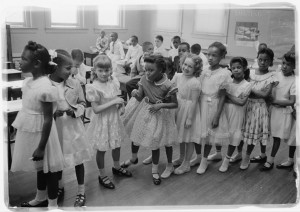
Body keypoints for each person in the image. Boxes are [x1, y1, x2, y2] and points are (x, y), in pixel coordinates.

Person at [10, 41, 64, 208]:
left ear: (37, 63)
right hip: (31, 130)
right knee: (39, 167)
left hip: (44, 134)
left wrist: (41, 147)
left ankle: (53, 205)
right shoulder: (27, 82)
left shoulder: (46, 87)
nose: (20, 62)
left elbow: (48, 119)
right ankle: (40, 197)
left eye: (24, 59)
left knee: (50, 170)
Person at [121, 55, 178, 185]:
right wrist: (135, 92)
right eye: (146, 69)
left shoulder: (168, 85)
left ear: (161, 71)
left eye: (151, 70)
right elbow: (140, 96)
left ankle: (155, 169)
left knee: (155, 142)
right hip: (145, 111)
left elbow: (175, 104)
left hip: (160, 115)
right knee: (136, 135)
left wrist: (161, 105)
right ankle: (134, 157)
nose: (147, 72)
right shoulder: (143, 79)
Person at [48, 49, 93, 206]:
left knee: (78, 160)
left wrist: (74, 111)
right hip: (55, 130)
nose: (72, 71)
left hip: (73, 128)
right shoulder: (46, 84)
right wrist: (54, 113)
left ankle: (81, 190)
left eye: (72, 67)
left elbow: (83, 103)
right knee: (58, 160)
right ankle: (60, 186)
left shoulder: (75, 83)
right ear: (55, 67)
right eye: (68, 68)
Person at [85, 54, 132, 190]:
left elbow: (117, 98)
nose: (104, 74)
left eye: (107, 70)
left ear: (111, 69)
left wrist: (121, 106)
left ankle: (116, 167)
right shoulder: (93, 87)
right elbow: (96, 109)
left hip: (114, 119)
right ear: (95, 71)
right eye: (100, 71)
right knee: (102, 148)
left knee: (116, 145)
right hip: (102, 121)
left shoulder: (113, 82)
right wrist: (114, 102)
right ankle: (102, 174)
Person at [196, 42, 232, 174]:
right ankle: (201, 156)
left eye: (214, 55)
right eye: (208, 54)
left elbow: (223, 97)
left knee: (209, 136)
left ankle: (204, 161)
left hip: (213, 106)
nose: (210, 58)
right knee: (200, 134)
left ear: (222, 56)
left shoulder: (224, 74)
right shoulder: (204, 70)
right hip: (201, 104)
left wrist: (217, 115)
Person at [240, 47, 278, 170]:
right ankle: (240, 154)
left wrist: (251, 88)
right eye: (260, 59)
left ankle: (247, 156)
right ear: (257, 59)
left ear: (271, 62)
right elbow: (242, 88)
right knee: (241, 132)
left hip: (260, 108)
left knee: (257, 132)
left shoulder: (272, 76)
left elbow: (265, 95)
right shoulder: (250, 72)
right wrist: (251, 90)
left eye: (266, 60)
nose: (262, 62)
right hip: (247, 105)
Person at [260, 51, 296, 171]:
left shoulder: (294, 80)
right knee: (265, 133)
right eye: (283, 63)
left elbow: (291, 101)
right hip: (271, 109)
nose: (285, 66)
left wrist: (275, 101)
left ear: (295, 66)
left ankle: (271, 160)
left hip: (282, 113)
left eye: (289, 64)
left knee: (278, 137)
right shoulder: (275, 74)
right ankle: (263, 155)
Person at [218, 57, 252, 172]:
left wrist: (227, 95)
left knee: (234, 136)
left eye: (239, 67)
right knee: (223, 133)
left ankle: (226, 160)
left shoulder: (247, 85)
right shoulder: (228, 83)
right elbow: (222, 98)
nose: (236, 70)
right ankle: (220, 153)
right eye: (233, 68)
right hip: (225, 112)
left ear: (244, 68)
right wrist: (231, 98)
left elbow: (241, 102)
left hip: (237, 114)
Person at [171, 53, 203, 175]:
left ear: (196, 69)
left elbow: (194, 101)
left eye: (190, 66)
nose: (186, 68)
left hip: (189, 111)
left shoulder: (195, 82)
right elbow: (172, 89)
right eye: (185, 64)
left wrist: (189, 118)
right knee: (182, 136)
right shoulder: (178, 76)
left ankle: (187, 163)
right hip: (179, 108)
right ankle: (181, 157)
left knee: (189, 138)